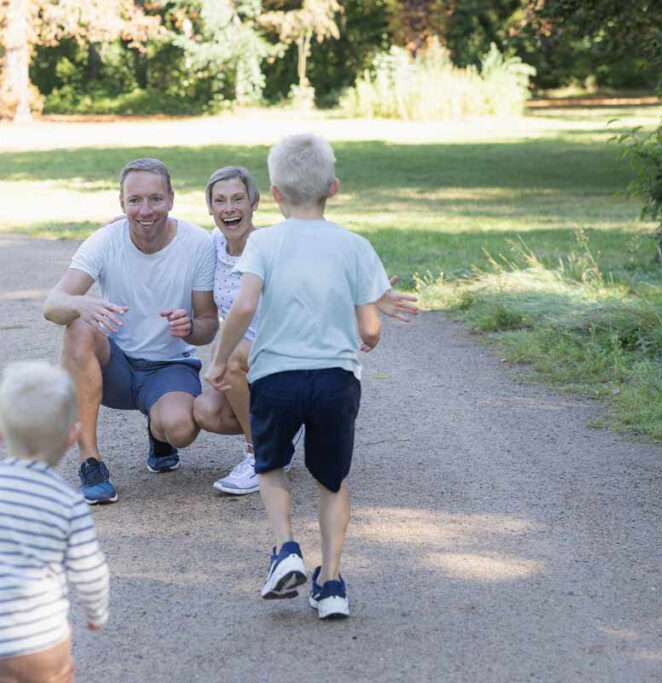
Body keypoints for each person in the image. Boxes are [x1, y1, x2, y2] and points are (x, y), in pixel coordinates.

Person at [205, 134, 389, 620]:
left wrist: (219, 360)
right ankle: (330, 583)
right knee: (332, 480)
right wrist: (367, 337)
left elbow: (244, 306)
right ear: (334, 187)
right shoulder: (355, 245)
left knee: (270, 466)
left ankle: (286, 549)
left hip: (277, 377)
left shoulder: (264, 242)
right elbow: (370, 325)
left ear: (276, 194)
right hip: (335, 380)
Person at [194, 166, 418, 495]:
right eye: (220, 201)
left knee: (229, 359)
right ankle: (282, 430)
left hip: (282, 352)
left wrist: (373, 295)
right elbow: (175, 233)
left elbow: (321, 269)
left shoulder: (270, 244)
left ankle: (261, 456)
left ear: (254, 202)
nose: (230, 208)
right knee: (206, 412)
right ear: (210, 208)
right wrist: (120, 224)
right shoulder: (211, 244)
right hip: (247, 355)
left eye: (238, 199)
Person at [42, 158, 218, 504]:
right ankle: (90, 461)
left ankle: (159, 431)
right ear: (122, 203)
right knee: (77, 325)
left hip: (169, 366)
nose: (145, 210)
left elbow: (209, 325)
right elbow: (52, 305)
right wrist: (81, 305)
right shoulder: (105, 240)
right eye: (134, 200)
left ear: (171, 198)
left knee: (181, 429)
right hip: (116, 367)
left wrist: (191, 327)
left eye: (155, 199)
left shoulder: (198, 243)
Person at [0, 361, 110, 681]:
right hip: (40, 643)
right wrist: (96, 611)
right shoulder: (67, 502)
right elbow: (89, 569)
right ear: (73, 437)